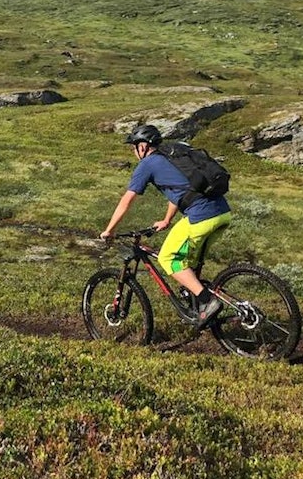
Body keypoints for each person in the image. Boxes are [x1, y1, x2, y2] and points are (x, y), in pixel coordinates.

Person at [100, 124, 233, 328]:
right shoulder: (175, 153)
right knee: (188, 262)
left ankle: (207, 301)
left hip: (201, 217)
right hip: (222, 213)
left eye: (134, 147)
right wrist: (167, 220)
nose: (133, 151)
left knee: (168, 257)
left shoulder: (148, 164)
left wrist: (109, 230)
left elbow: (127, 200)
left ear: (142, 147)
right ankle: (197, 302)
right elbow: (181, 190)